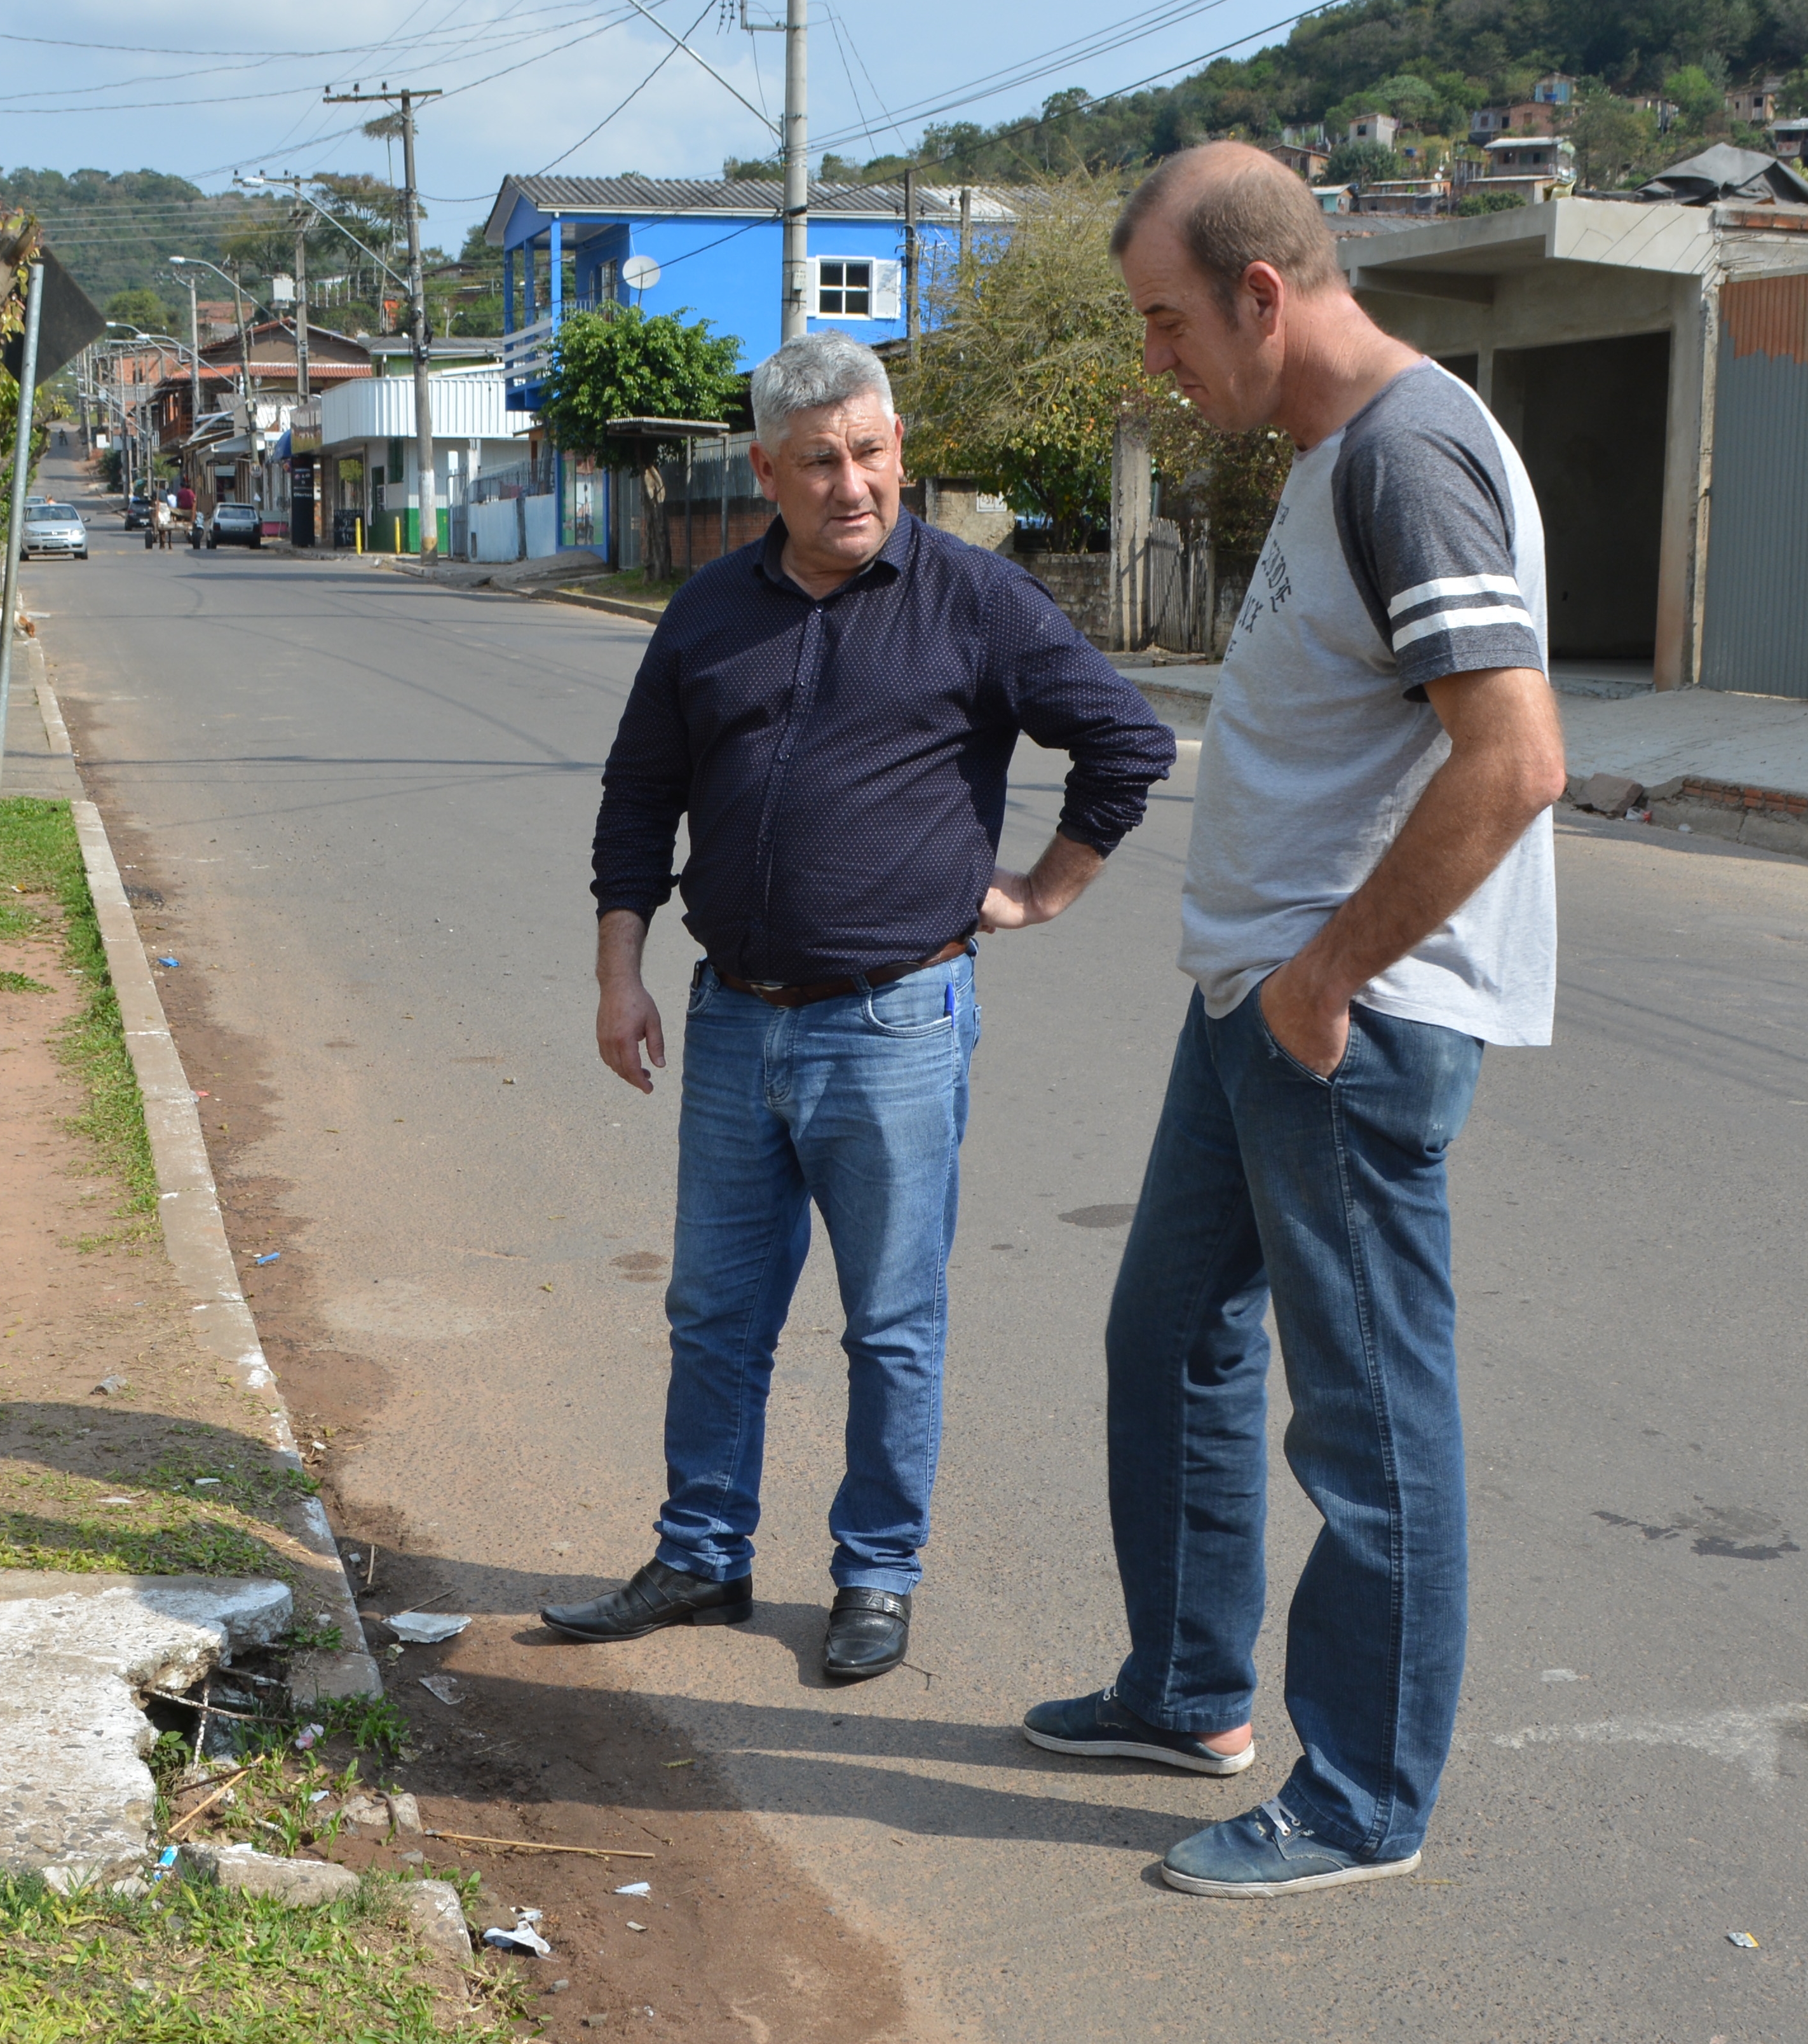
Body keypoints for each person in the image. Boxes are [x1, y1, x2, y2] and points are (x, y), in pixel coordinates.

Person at [1019, 142, 1565, 1898]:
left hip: (1343, 1022)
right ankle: (1186, 1693)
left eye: (1170, 323)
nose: (1158, 363)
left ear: (1264, 293)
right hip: (1255, 1001)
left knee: (1370, 1420)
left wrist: (1328, 977)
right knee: (1168, 1334)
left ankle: (1361, 1800)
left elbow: (1518, 758)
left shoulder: (1409, 454)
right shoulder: (1344, 453)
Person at [557, 330, 1176, 1680]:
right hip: (732, 1019)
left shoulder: (975, 601)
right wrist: (620, 972)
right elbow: (635, 797)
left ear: (901, 452)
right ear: (766, 471)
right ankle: (702, 1555)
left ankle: (875, 1576)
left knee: (891, 1324)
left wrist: (1046, 890)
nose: (854, 485)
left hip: (894, 1024)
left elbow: (1128, 741)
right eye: (822, 462)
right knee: (715, 1313)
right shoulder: (709, 610)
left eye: (874, 454)